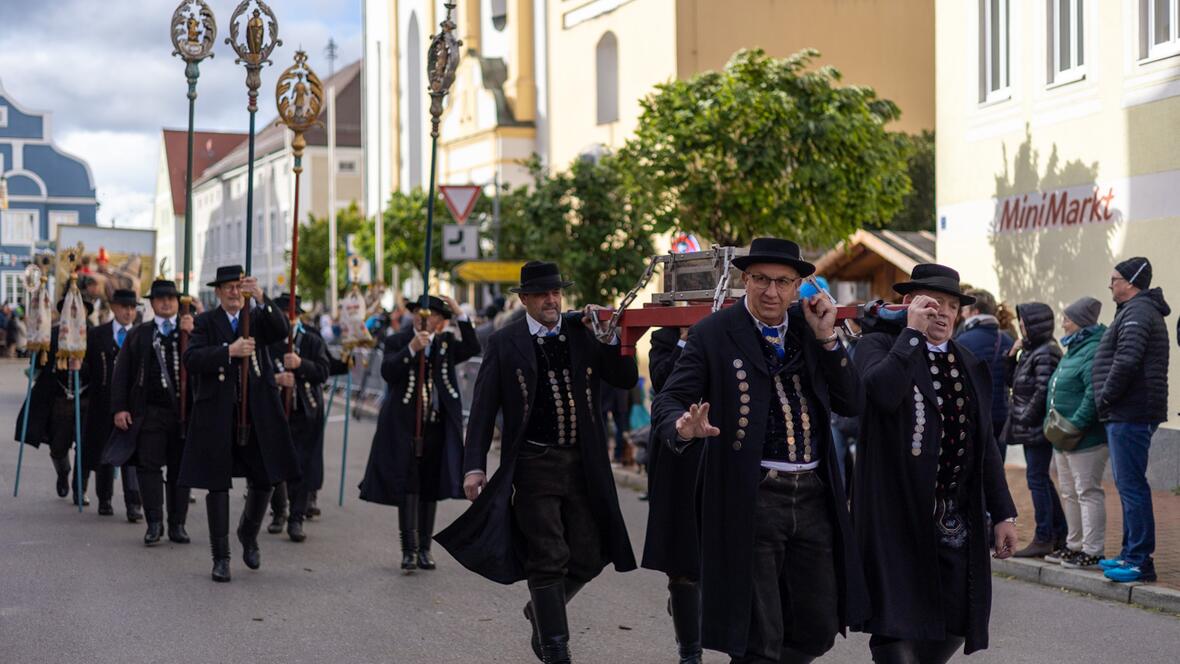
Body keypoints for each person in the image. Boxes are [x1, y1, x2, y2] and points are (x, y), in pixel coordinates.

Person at [651, 238, 869, 664]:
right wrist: (683, 425)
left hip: (813, 496)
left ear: (797, 287)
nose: (771, 292)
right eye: (761, 280)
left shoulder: (811, 330)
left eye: (783, 282)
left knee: (819, 627)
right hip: (751, 496)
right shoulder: (714, 333)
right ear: (744, 280)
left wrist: (829, 341)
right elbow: (668, 399)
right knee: (759, 635)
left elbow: (852, 403)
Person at [435, 261, 638, 664]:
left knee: (590, 552)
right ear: (525, 299)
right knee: (547, 556)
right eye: (543, 294)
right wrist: (474, 465)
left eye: (556, 293)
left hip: (583, 463)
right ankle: (555, 648)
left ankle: (543, 611)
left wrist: (614, 337)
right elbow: (483, 408)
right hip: (534, 463)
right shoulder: (505, 341)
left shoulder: (583, 332)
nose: (552, 300)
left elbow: (625, 378)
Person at [853, 263, 1018, 663]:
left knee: (959, 615)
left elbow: (986, 447)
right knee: (893, 619)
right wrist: (909, 335)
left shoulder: (969, 362)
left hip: (955, 515)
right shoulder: (878, 346)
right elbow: (882, 393)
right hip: (895, 514)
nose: (941, 313)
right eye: (931, 303)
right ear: (909, 304)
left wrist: (1003, 513)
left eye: (949, 305)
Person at [179, 266, 299, 583]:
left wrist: (261, 296)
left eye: (238, 287)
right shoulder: (206, 322)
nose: (234, 292)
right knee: (217, 483)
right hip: (219, 412)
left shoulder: (256, 318)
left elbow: (282, 328)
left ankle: (248, 532)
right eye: (228, 287)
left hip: (256, 410)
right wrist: (227, 351)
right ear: (218, 292)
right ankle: (221, 557)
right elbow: (191, 359)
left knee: (264, 478)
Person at [359, 294, 479, 570]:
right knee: (408, 484)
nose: (423, 319)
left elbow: (472, 346)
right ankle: (409, 549)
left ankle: (425, 548)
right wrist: (412, 349)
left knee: (429, 486)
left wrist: (460, 313)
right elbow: (389, 371)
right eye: (418, 314)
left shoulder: (446, 343)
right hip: (405, 426)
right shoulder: (397, 341)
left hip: (436, 424)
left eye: (430, 315)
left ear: (439, 321)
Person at [1092, 257, 1170, 583]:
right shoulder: (1132, 311)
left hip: (1130, 411)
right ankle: (1129, 556)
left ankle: (1139, 560)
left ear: (1131, 282)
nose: (1110, 284)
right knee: (1127, 487)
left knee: (1132, 487)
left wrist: (1106, 397)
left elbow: (1126, 361)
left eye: (1114, 279)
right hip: (1127, 412)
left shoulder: (1138, 312)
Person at [105, 280, 194, 544]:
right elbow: (122, 374)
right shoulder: (140, 334)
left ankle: (178, 524)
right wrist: (120, 408)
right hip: (150, 412)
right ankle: (154, 522)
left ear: (178, 302)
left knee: (181, 470)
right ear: (152, 303)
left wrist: (195, 332)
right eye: (160, 298)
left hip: (183, 413)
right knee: (148, 468)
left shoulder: (190, 331)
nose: (166, 302)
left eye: (171, 298)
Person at [642, 326, 705, 664]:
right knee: (682, 555)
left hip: (719, 447)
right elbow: (663, 382)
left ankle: (689, 606)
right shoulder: (663, 338)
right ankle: (689, 652)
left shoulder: (733, 330)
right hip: (677, 450)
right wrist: (684, 336)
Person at [1041, 296, 1108, 569]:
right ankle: (1074, 544)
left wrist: (1077, 424)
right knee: (1069, 491)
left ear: (1079, 322)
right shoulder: (1075, 347)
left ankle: (1093, 550)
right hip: (1063, 435)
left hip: (1084, 437)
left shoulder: (1093, 348)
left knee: (1087, 491)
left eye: (1067, 319)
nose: (1064, 324)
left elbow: (1093, 393)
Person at [264, 293, 331, 543]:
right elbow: (256, 373)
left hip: (305, 412)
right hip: (275, 411)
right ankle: (279, 512)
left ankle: (297, 518)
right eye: (282, 315)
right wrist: (276, 379)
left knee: (303, 466)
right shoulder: (267, 343)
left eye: (291, 315)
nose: (287, 319)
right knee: (276, 466)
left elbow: (323, 372)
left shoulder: (312, 341)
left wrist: (301, 364)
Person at [14, 299, 94, 503]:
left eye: (80, 309)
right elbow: (40, 363)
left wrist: (81, 367)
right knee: (58, 447)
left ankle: (80, 490)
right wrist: (35, 349)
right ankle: (63, 472)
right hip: (60, 399)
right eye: (72, 309)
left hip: (87, 399)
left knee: (84, 447)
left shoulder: (94, 335)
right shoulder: (52, 335)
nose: (76, 313)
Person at [1006, 302, 1065, 558]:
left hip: (1038, 427)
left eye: (1025, 323)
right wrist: (1012, 354)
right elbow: (1013, 382)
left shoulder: (1046, 352)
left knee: (1037, 479)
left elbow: (1043, 391)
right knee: (1040, 479)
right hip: (1030, 425)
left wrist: (1026, 417)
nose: (1021, 327)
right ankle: (1058, 531)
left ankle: (1044, 536)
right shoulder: (1032, 351)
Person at [82, 288, 143, 521]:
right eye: (124, 307)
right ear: (114, 308)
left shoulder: (140, 334)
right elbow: (88, 369)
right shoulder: (97, 335)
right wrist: (79, 366)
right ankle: (104, 498)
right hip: (102, 403)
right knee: (104, 453)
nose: (128, 312)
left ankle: (133, 504)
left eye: (132, 308)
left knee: (131, 455)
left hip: (132, 404)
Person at [955, 289, 1015, 456]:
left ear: (975, 312)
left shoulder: (963, 340)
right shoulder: (1007, 339)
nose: (962, 313)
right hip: (1001, 412)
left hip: (974, 414)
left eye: (965, 309)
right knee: (997, 466)